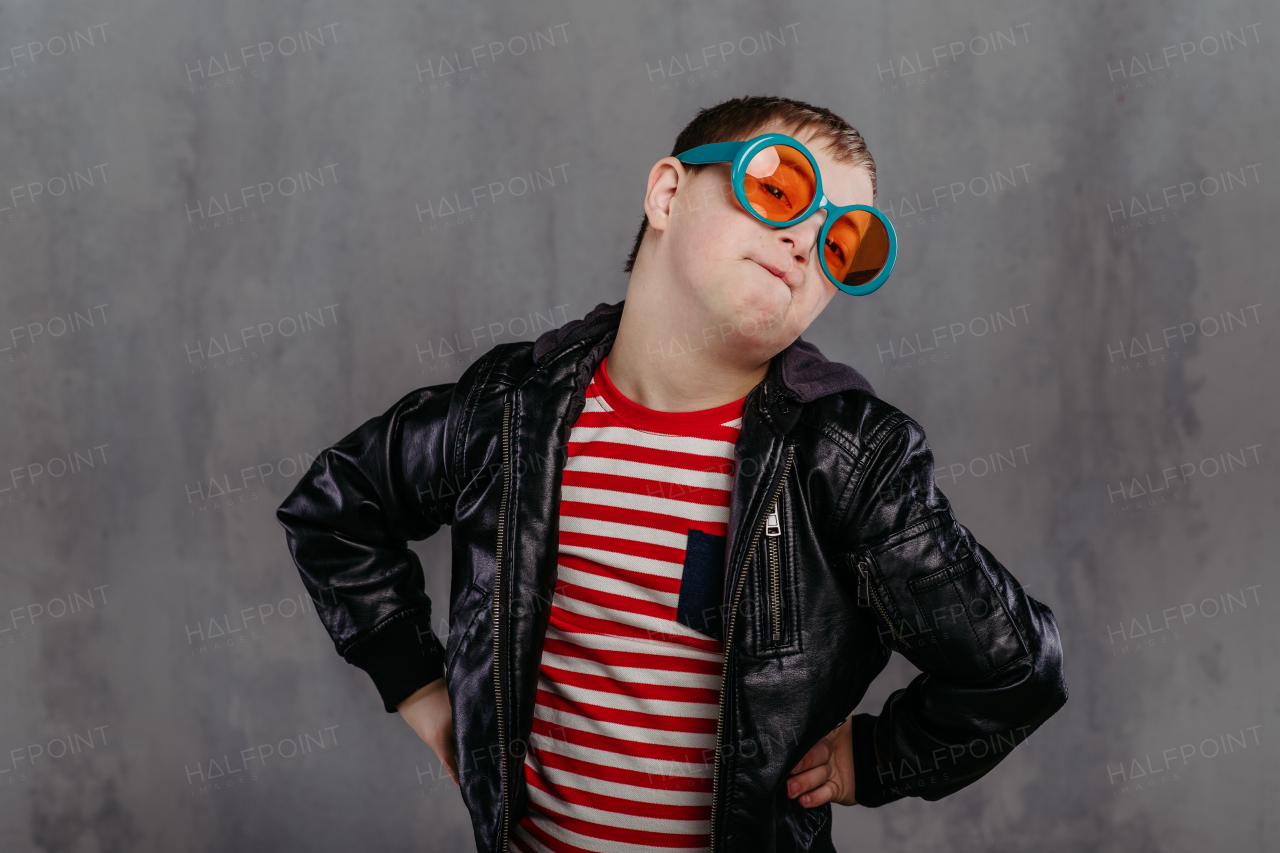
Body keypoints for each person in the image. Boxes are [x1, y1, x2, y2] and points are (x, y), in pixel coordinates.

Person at [276, 95, 1067, 853]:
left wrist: (878, 757)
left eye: (843, 243)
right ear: (667, 193)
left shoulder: (848, 457)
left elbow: (1015, 668)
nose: (804, 239)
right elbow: (336, 509)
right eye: (780, 187)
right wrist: (416, 683)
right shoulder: (513, 410)